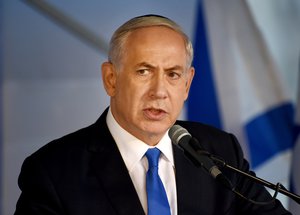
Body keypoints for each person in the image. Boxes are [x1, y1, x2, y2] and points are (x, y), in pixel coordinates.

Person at [14, 14, 291, 215]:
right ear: (111, 78)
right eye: (144, 72)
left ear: (187, 84)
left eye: (173, 75)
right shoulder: (52, 171)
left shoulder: (220, 151)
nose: (159, 91)